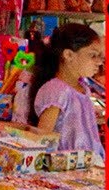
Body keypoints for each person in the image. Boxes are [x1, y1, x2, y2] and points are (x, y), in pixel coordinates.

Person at [28, 23, 104, 159]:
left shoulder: (84, 88)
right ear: (68, 55)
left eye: (99, 56)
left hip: (88, 164)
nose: (99, 62)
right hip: (66, 166)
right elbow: (42, 137)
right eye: (93, 55)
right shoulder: (56, 91)